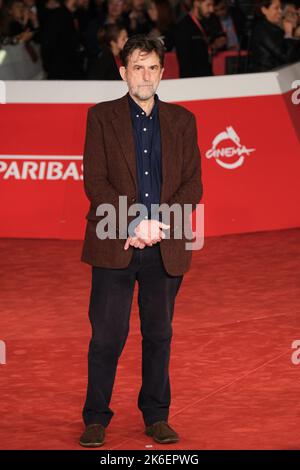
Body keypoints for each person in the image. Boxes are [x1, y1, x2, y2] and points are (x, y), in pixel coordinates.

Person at [79, 34, 203, 447]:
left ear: (163, 73)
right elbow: (95, 181)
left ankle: (156, 415)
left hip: (165, 244)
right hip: (116, 240)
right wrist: (134, 221)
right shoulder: (101, 117)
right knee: (107, 337)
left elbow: (193, 185)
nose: (145, 75)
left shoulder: (183, 121)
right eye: (137, 67)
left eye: (152, 67)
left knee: (159, 334)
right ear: (123, 72)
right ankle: (96, 418)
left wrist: (158, 223)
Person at [250, 0, 300, 72]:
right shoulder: (262, 29)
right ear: (264, 10)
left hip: (277, 74)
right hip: (267, 76)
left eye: (280, 8)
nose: (280, 11)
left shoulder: (274, 28)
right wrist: (289, 33)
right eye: (276, 8)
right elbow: (286, 57)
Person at [174, 0, 215, 77]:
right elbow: (184, 63)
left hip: (207, 78)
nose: (212, 9)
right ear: (197, 3)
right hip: (191, 81)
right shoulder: (183, 27)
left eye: (212, 5)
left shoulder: (208, 23)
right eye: (208, 5)